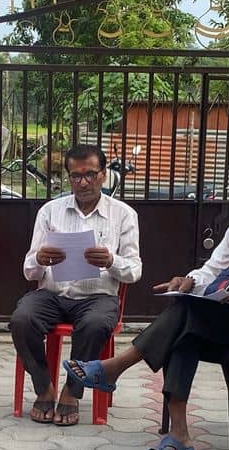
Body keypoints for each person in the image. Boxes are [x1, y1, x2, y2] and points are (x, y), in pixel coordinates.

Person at [64, 162, 229, 450]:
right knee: (185, 329)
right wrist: (190, 280)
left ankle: (117, 369)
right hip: (226, 315)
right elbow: (212, 268)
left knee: (186, 315)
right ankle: (178, 433)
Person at [13, 144, 142, 426]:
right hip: (52, 294)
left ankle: (72, 391)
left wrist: (111, 261)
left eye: (90, 174)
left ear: (103, 175)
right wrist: (40, 259)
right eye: (76, 176)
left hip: (98, 297)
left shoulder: (123, 214)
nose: (83, 183)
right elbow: (29, 270)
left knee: (95, 324)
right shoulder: (50, 211)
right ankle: (44, 387)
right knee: (22, 319)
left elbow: (134, 271)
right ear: (68, 177)